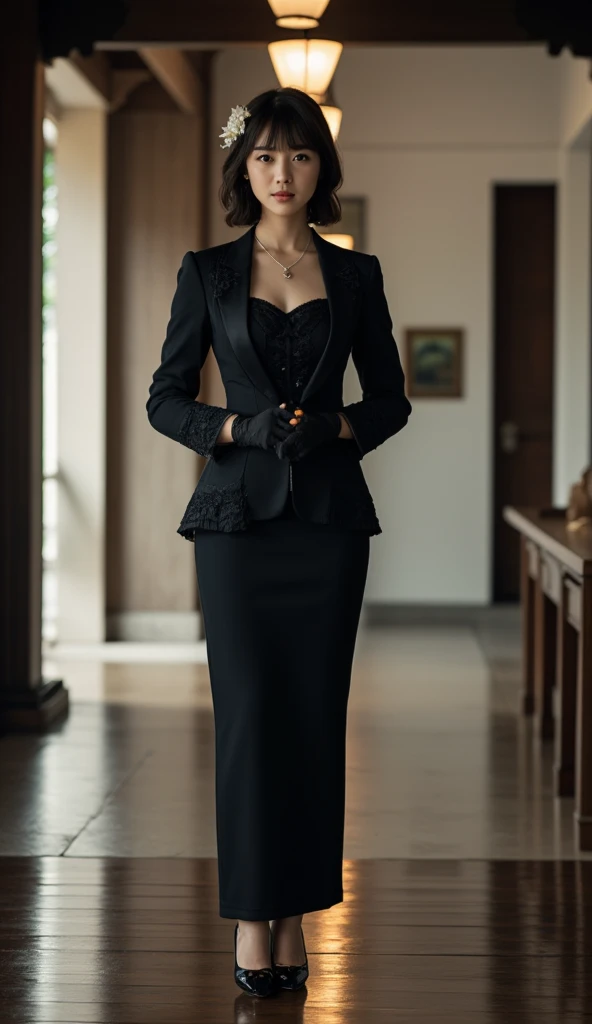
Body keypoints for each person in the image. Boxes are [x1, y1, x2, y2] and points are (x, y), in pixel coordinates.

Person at [146, 86, 412, 997]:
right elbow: (166, 399)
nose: (281, 172)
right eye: (264, 156)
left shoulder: (357, 275)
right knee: (250, 723)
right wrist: (236, 430)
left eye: (298, 155)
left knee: (312, 721)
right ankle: (251, 926)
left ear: (321, 167)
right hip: (234, 527)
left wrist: (335, 431)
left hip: (330, 529)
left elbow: (390, 400)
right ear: (243, 166)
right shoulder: (207, 273)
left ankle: (294, 919)